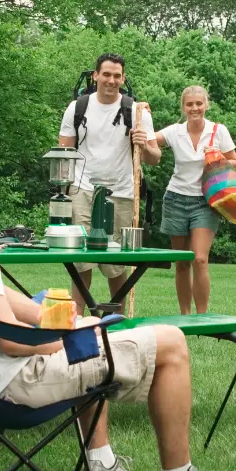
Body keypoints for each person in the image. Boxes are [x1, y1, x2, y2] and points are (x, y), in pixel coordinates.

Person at [0, 142, 236, 471]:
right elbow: (9, 343)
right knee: (172, 342)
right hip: (12, 384)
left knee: (91, 327)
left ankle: (102, 463)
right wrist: (68, 340)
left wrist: (71, 321)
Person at [58, 54, 161, 315]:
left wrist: (143, 144)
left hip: (123, 193)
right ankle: (78, 320)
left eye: (117, 76)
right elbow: (64, 151)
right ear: (95, 75)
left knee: (117, 262)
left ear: (123, 78)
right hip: (82, 190)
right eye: (106, 74)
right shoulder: (77, 107)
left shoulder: (136, 111)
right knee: (81, 260)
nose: (111, 80)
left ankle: (115, 321)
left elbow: (154, 158)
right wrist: (64, 191)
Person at [154, 86, 236, 314]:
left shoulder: (218, 131)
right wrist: (140, 124)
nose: (194, 108)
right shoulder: (175, 131)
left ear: (206, 105)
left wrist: (216, 159)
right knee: (181, 262)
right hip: (175, 198)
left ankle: (202, 315)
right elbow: (150, 141)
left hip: (205, 201)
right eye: (189, 104)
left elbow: (235, 162)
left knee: (200, 259)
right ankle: (185, 315)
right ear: (183, 107)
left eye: (198, 104)